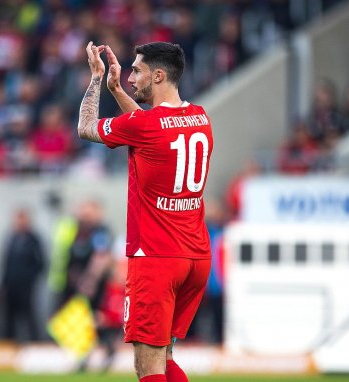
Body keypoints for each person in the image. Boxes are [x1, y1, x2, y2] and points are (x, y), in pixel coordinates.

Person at [77, 41, 214, 382]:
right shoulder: (200, 117)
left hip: (155, 257)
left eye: (136, 71)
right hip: (195, 256)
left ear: (158, 75)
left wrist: (96, 78)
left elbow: (86, 126)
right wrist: (117, 89)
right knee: (165, 357)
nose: (130, 77)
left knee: (146, 365)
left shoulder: (146, 127)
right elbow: (148, 126)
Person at [0, 209, 45, 342]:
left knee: (29, 315)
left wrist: (29, 279)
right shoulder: (11, 238)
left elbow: (40, 263)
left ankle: (34, 342)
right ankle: (9, 342)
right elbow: (6, 262)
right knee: (9, 316)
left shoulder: (33, 240)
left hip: (26, 285)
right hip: (11, 285)